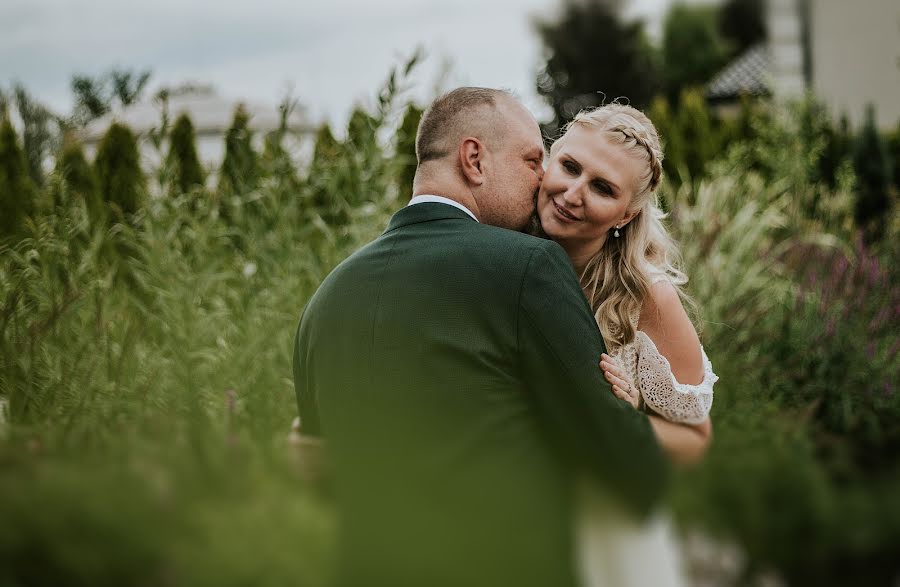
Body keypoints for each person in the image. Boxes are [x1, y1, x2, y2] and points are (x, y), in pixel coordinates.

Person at [292, 88, 669, 587]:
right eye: (534, 159)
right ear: (474, 159)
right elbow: (630, 467)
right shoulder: (527, 267)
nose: (544, 178)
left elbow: (319, 471)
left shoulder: (323, 302)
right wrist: (623, 404)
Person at [535, 103, 718, 587]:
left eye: (602, 188)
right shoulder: (499, 244)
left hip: (606, 526)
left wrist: (623, 416)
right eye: (570, 167)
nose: (572, 194)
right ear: (549, 159)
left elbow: (695, 440)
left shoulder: (647, 297)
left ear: (627, 213)